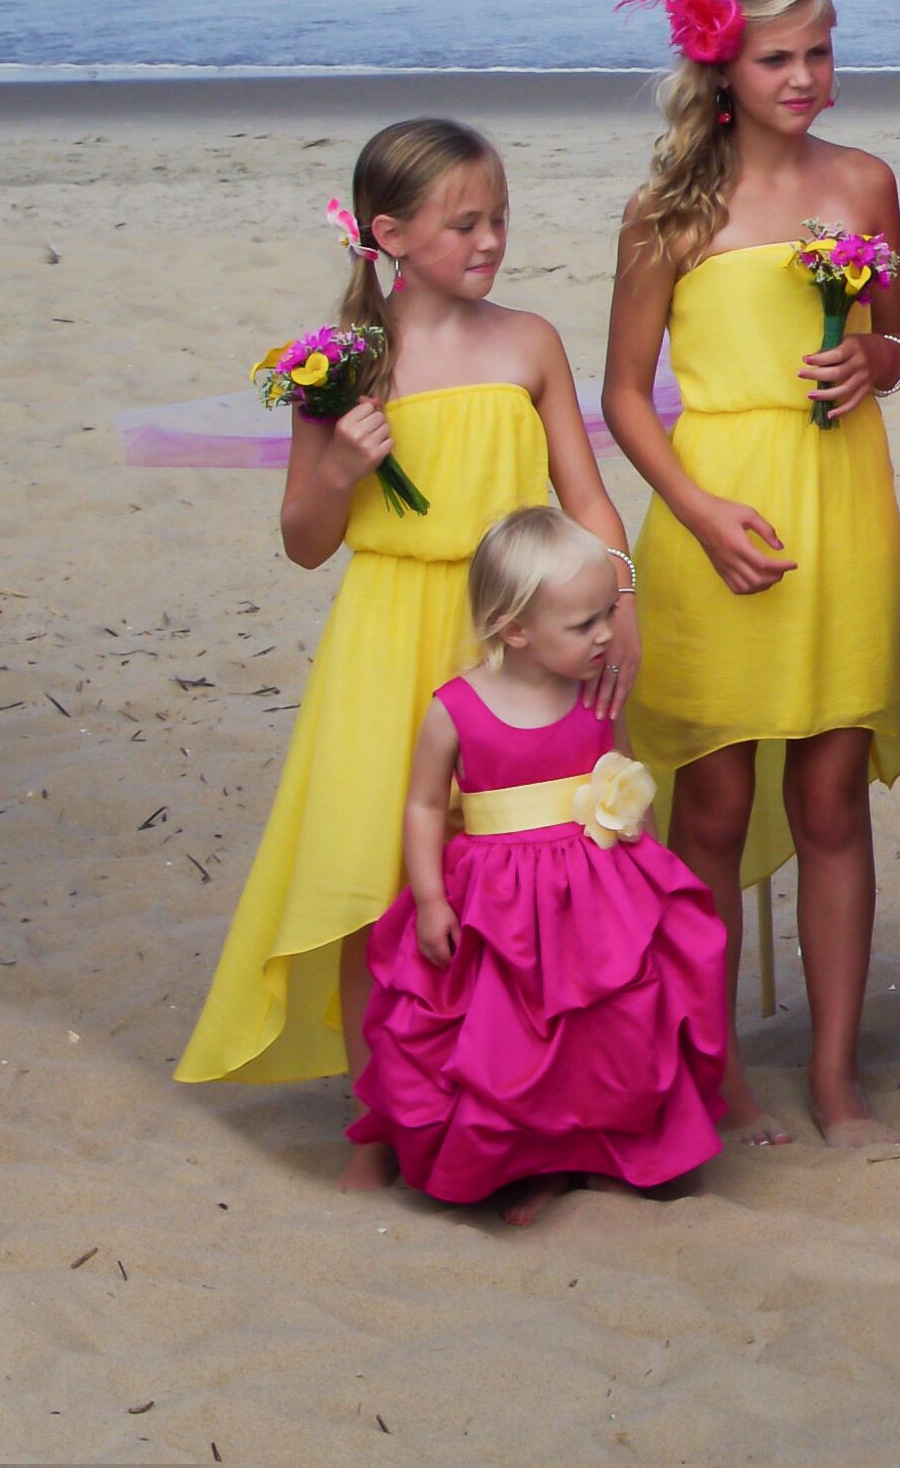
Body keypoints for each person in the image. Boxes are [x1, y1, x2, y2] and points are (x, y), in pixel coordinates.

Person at [177, 119, 637, 1193]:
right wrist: (337, 464)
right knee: (377, 872)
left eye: (499, 218)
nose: (491, 239)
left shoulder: (529, 342)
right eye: (464, 221)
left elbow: (581, 492)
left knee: (521, 872)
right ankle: (383, 1119)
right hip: (386, 638)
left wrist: (621, 587)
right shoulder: (338, 364)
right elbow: (303, 541)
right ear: (389, 233)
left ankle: (520, 1111)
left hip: (511, 631)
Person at [602, 0, 900, 1149]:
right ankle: (710, 1070)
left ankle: (834, 1079)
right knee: (715, 803)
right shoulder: (669, 211)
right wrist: (694, 509)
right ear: (721, 66)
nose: (806, 75)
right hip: (715, 517)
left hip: (842, 505)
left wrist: (873, 361)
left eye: (821, 49)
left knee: (834, 793)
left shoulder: (865, 183)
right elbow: (628, 393)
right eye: (778, 56)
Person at [350, 508, 730, 1222]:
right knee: (511, 1045)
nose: (605, 635)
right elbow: (427, 806)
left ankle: (606, 1155)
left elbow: (620, 776)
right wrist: (431, 899)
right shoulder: (455, 708)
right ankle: (530, 1168)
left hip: (596, 898)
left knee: (609, 1032)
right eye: (583, 623)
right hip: (498, 910)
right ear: (515, 629)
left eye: (605, 616)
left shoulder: (595, 695)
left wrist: (649, 871)